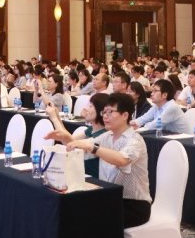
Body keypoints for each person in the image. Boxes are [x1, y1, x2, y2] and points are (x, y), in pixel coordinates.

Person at [47, 92, 151, 228]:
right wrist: (64, 136)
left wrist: (93, 148)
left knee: (90, 218)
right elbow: (80, 146)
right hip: (110, 196)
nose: (105, 116)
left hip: (134, 205)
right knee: (72, 208)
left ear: (125, 115)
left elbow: (122, 159)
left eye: (110, 112)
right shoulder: (107, 136)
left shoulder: (135, 140)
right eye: (104, 112)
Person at [45, 92, 109, 177]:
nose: (85, 109)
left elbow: (70, 144)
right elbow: (69, 139)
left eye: (90, 106)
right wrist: (57, 117)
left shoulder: (103, 135)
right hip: (80, 174)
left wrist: (54, 118)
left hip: (91, 178)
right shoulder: (91, 129)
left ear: (101, 112)